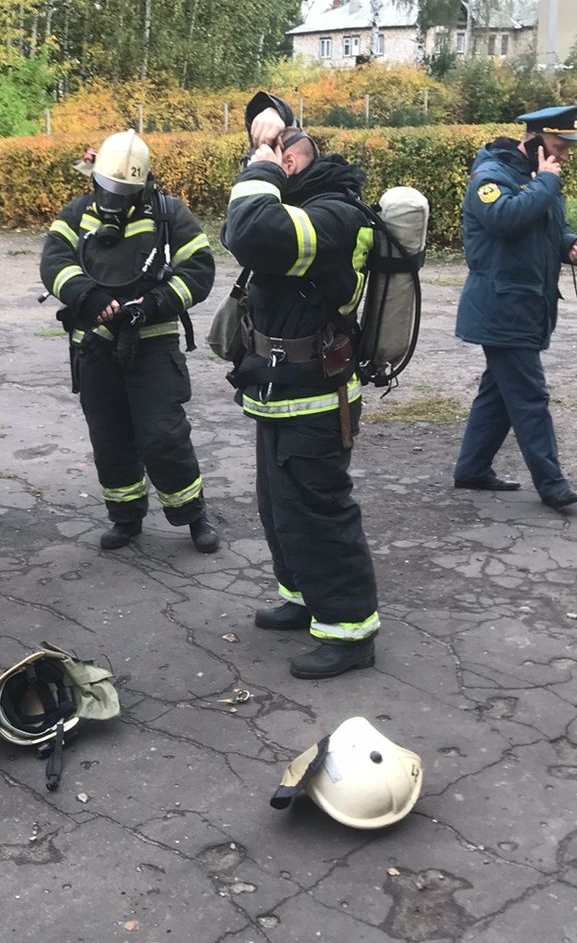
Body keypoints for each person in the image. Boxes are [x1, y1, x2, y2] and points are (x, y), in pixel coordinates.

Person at [222, 102, 380, 681]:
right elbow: (239, 231)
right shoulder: (299, 209)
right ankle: (303, 595)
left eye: (277, 155)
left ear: (294, 159)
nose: (265, 163)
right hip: (278, 390)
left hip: (317, 397)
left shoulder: (335, 215)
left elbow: (251, 231)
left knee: (318, 511)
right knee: (279, 507)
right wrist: (261, 175)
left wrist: (259, 166)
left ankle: (349, 630)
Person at [39, 130, 220, 554]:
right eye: (107, 189)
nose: (113, 199)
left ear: (143, 184)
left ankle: (193, 516)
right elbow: (54, 262)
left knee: (163, 436)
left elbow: (199, 269)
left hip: (152, 346)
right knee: (110, 437)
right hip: (95, 347)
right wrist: (89, 296)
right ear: (94, 178)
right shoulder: (77, 214)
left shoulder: (168, 214)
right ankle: (125, 518)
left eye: (123, 192)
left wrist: (154, 304)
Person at [452, 105, 577, 510]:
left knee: (498, 393)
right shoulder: (490, 177)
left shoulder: (535, 178)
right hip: (502, 307)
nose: (564, 154)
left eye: (568, 146)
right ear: (532, 140)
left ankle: (472, 468)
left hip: (524, 305)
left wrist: (570, 244)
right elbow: (505, 218)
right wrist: (547, 183)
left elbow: (547, 226)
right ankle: (552, 484)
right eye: (558, 144)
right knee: (530, 396)